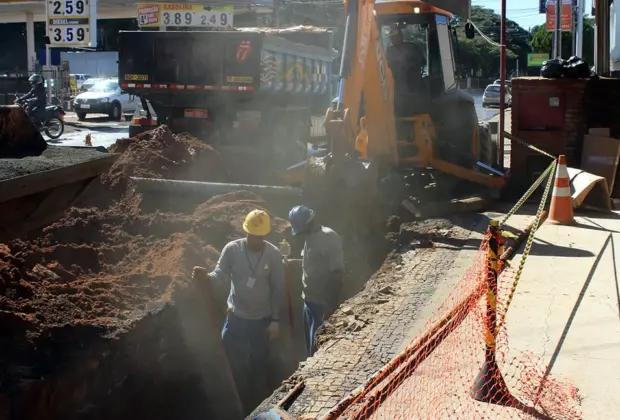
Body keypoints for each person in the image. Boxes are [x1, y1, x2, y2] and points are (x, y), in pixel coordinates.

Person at [192, 209, 284, 405]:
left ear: (266, 235)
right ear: (246, 232)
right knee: (230, 356)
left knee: (258, 362)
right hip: (236, 317)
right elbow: (219, 275)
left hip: (262, 320)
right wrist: (207, 279)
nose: (256, 240)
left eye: (260, 237)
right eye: (252, 235)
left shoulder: (273, 255)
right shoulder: (232, 250)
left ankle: (257, 398)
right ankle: (234, 395)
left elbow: (278, 289)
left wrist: (275, 320)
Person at [287, 205, 345, 356]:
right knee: (309, 347)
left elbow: (336, 274)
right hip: (308, 302)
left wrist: (330, 308)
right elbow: (315, 263)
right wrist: (296, 263)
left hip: (321, 304)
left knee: (317, 350)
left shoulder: (329, 237)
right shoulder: (310, 238)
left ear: (309, 223)